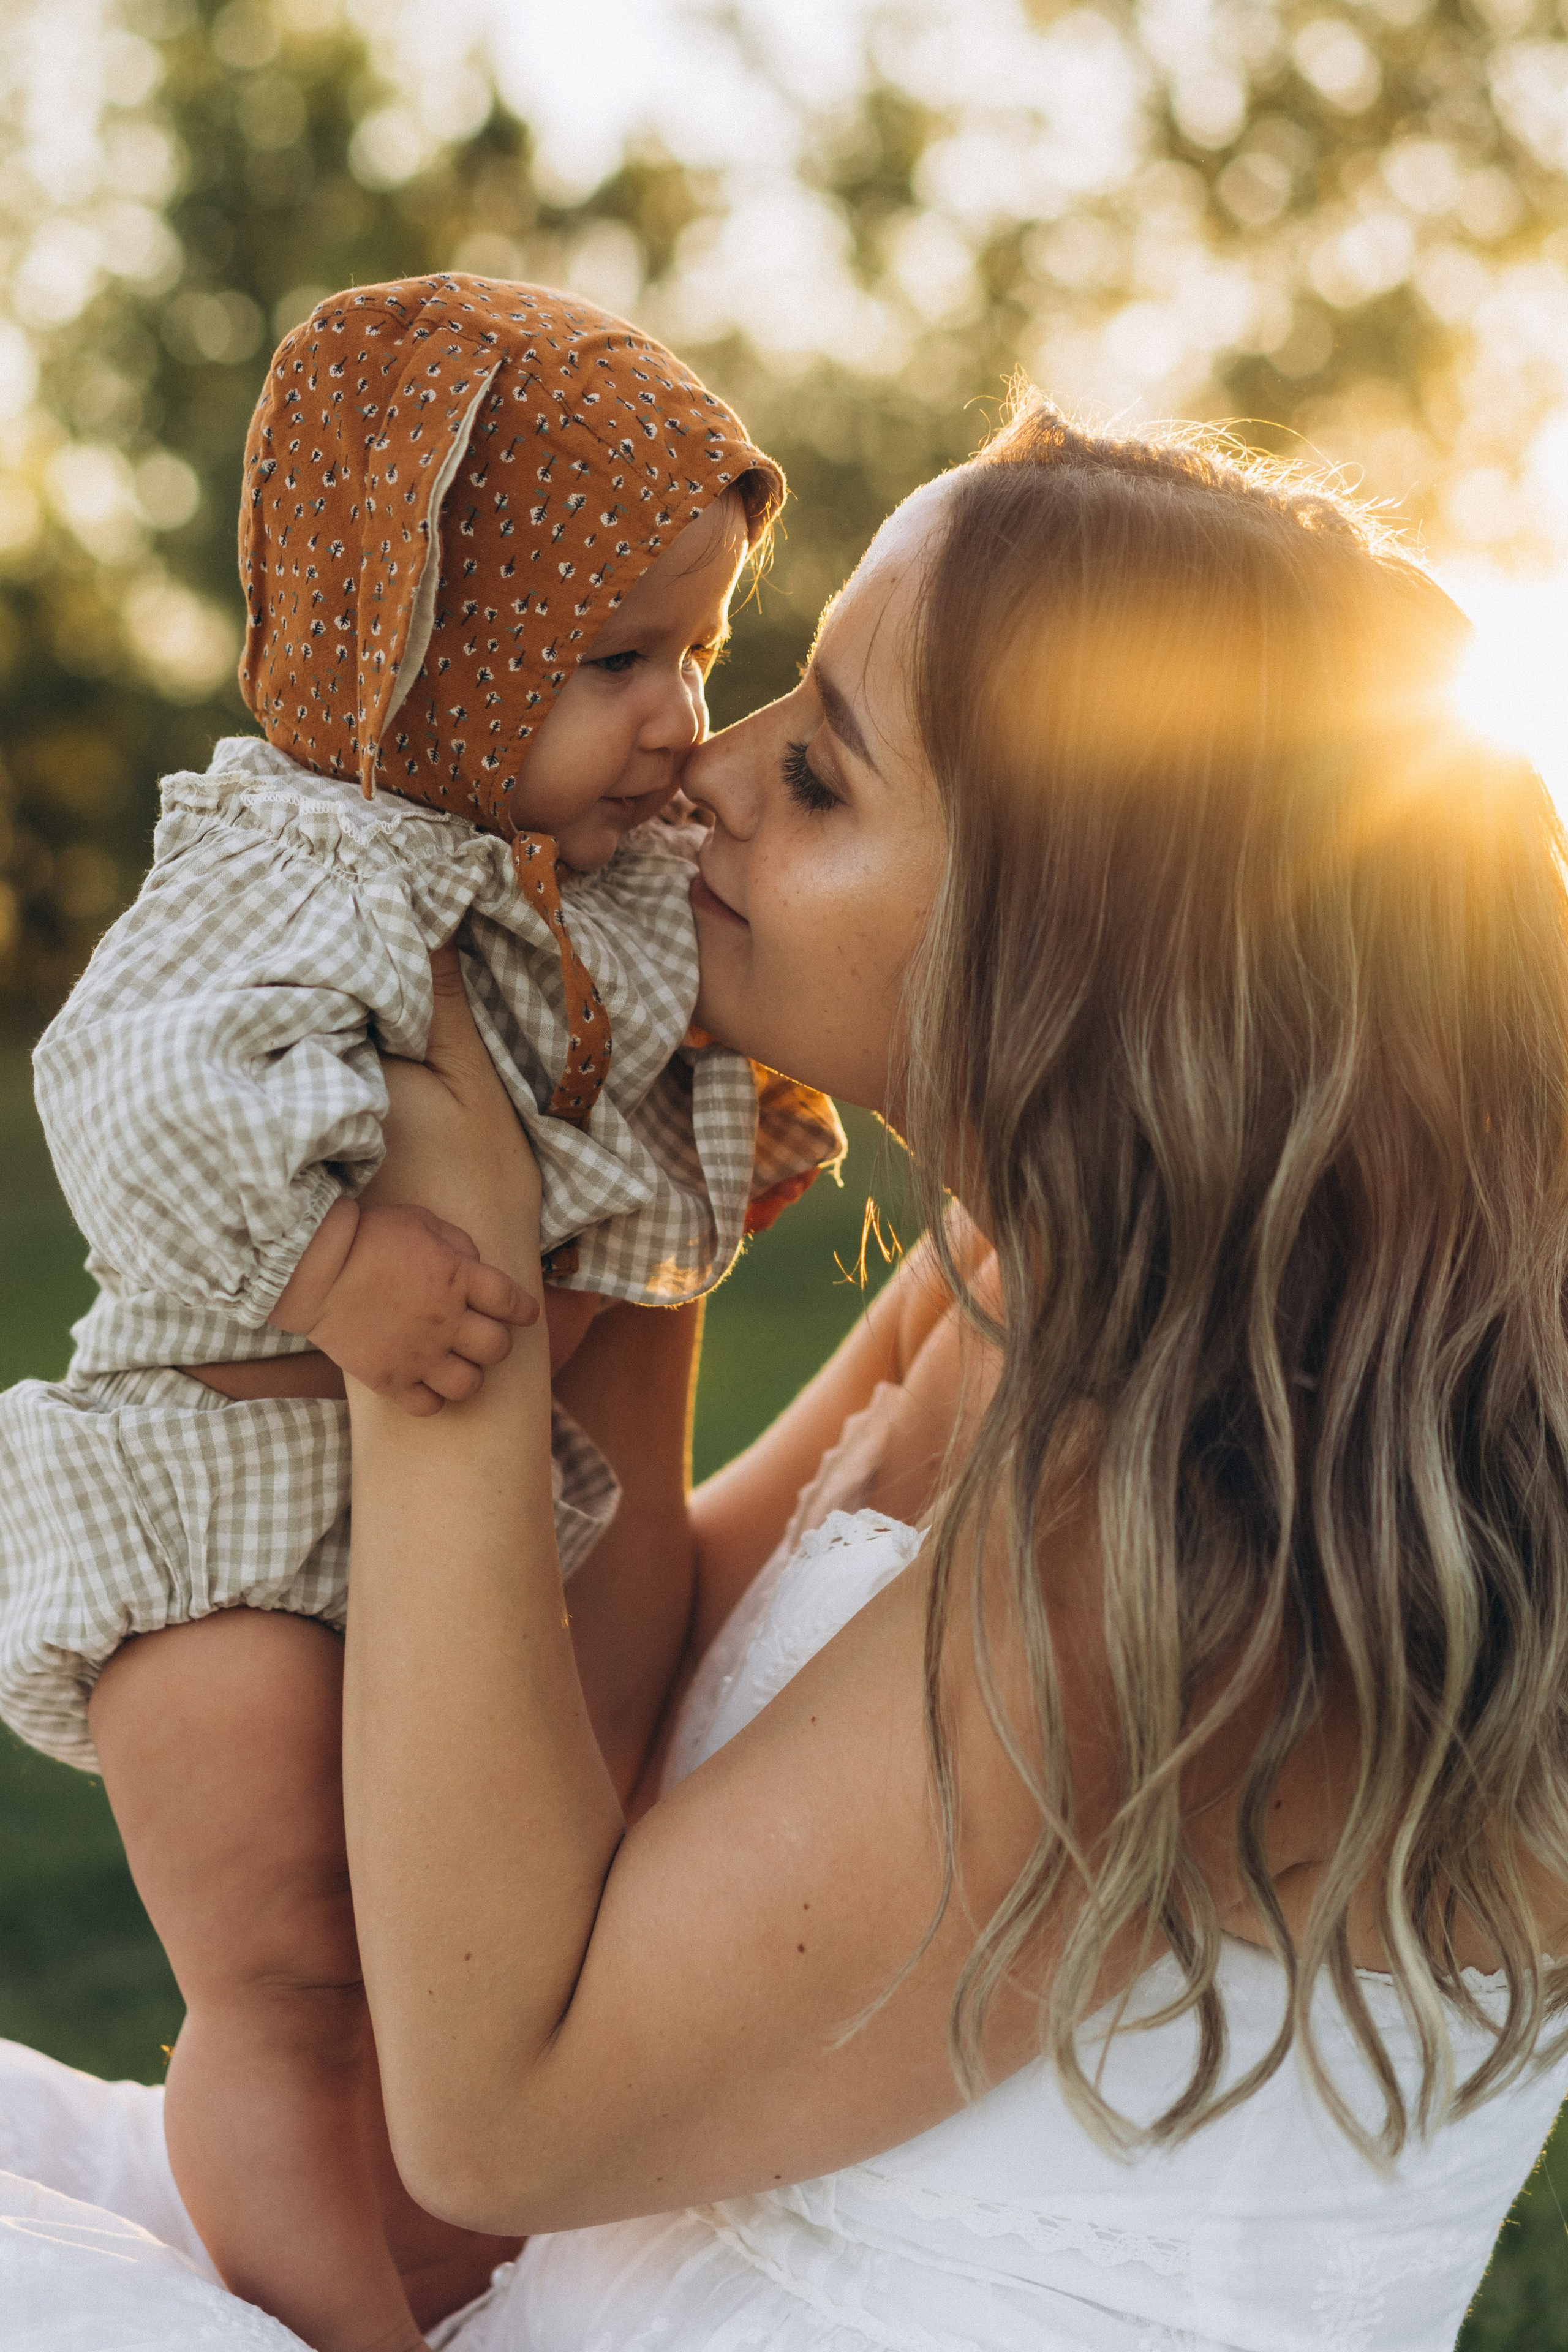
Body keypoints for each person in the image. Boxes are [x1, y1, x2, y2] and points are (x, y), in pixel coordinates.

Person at [4, 395, 1568, 2351]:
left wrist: (457, 1317)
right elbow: (583, 1761)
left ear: (1072, 945)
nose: (707, 775)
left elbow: (490, 2103)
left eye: (821, 774)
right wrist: (627, 1200)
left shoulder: (1195, 1536)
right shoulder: (1000, 1288)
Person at [0, 274, 838, 2352]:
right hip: (216, 1507)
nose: (679, 714)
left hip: (419, 1542)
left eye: (705, 651)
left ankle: (393, 2265)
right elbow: (122, 1083)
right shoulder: (305, 856)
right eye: (616, 657)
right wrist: (335, 1266)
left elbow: (632, 1088)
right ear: (426, 654)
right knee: (283, 1979)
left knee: (423, 1962)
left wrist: (751, 1125)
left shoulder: (604, 881)